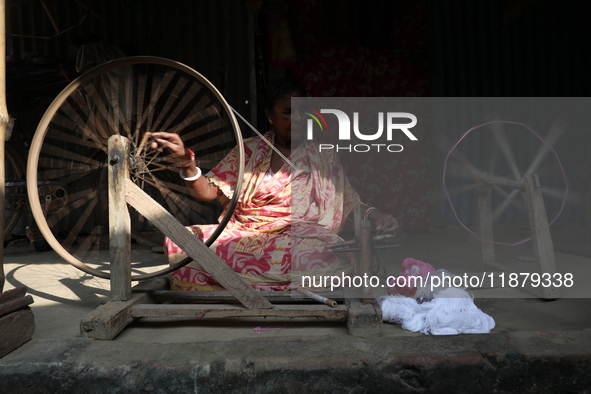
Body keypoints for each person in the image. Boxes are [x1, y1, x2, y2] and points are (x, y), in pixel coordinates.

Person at [150, 77, 399, 291]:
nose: (298, 119)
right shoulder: (248, 151)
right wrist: (187, 166)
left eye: (303, 111)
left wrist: (376, 216)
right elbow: (207, 192)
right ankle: (276, 284)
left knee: (326, 256)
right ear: (269, 116)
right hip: (246, 235)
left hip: (301, 240)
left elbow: (348, 202)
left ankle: (234, 282)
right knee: (183, 240)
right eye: (288, 112)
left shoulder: (324, 156)